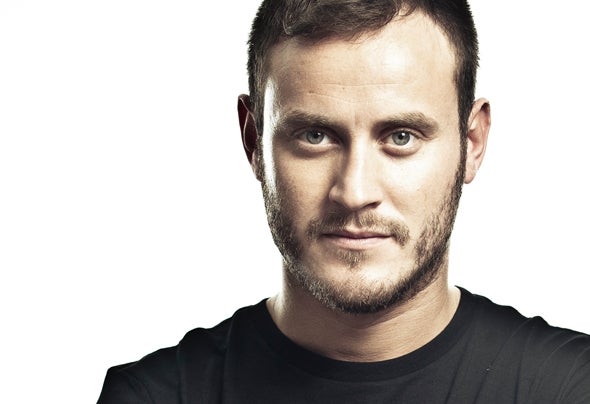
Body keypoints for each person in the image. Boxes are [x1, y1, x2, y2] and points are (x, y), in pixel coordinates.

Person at [97, 0, 590, 402]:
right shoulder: (156, 397)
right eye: (315, 136)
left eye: (401, 137)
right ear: (253, 142)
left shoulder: (570, 389)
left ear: (472, 143)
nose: (355, 193)